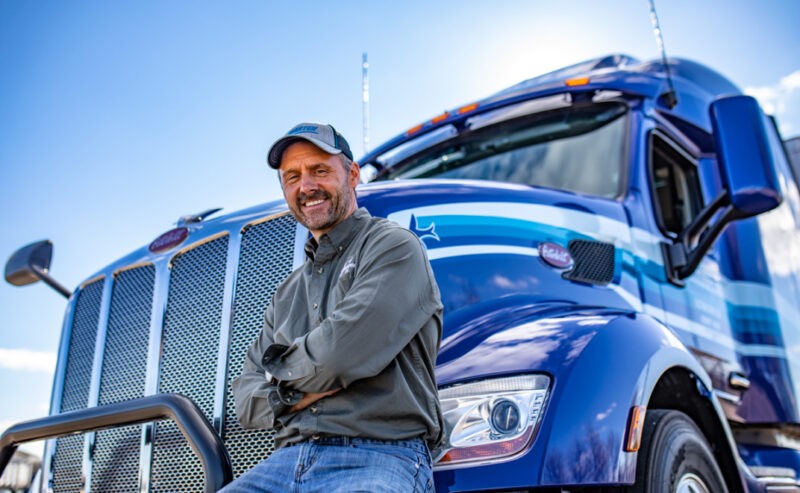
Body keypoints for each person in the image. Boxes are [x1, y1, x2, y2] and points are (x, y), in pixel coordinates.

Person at [223, 122, 443, 493]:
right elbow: (245, 397)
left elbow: (341, 354)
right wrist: (299, 390)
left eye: (319, 170)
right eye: (292, 177)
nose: (306, 187)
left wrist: (278, 378)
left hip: (382, 456)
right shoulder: (286, 292)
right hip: (283, 463)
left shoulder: (393, 246)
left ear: (353, 175)